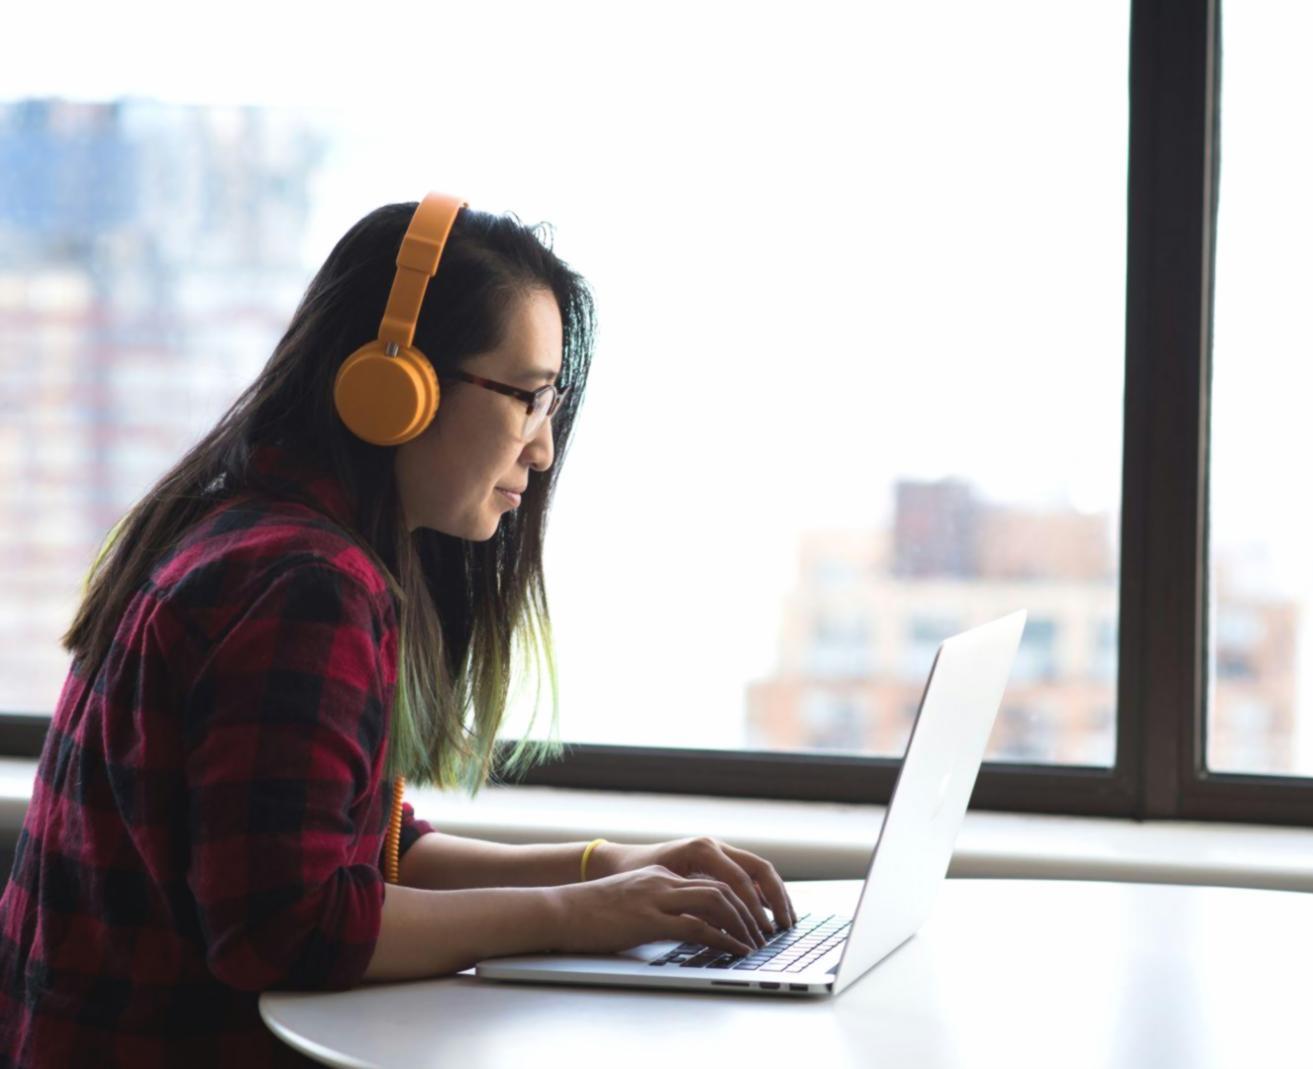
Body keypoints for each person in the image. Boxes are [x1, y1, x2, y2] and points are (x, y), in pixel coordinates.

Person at [0, 195, 795, 1067]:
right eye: (528, 398)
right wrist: (582, 917)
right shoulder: (304, 586)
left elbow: (368, 845)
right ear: (396, 385)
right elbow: (287, 925)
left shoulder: (247, 529)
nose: (542, 448)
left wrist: (603, 866)